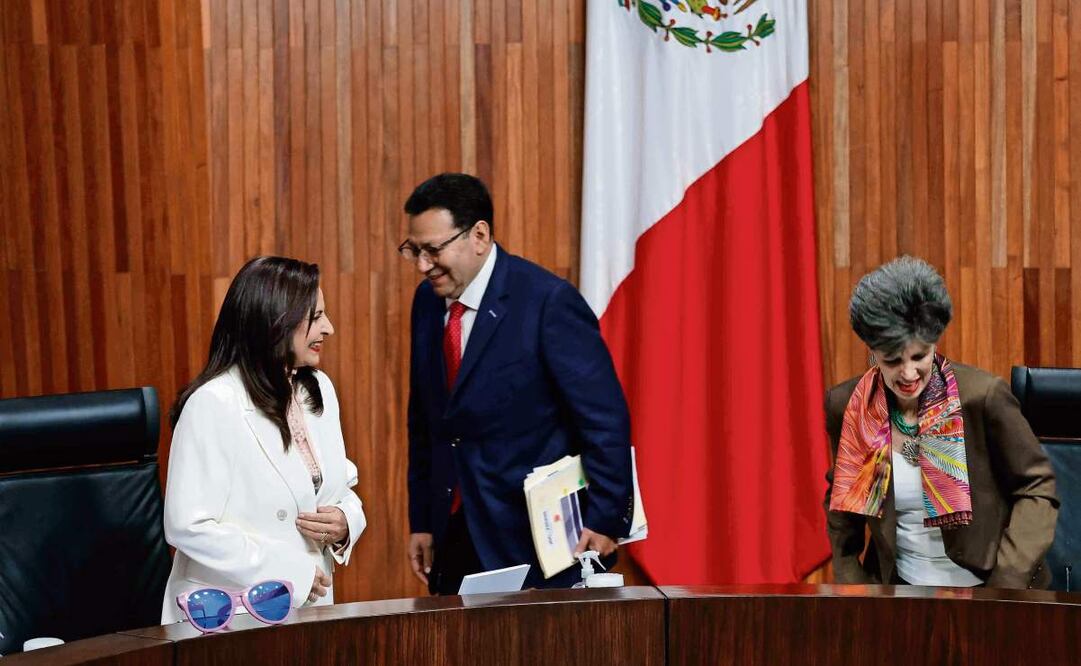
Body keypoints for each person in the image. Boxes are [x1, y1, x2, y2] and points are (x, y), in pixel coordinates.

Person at [402, 173, 635, 593]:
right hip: (455, 530)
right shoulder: (427, 303)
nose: (422, 265)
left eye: (433, 250)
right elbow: (426, 420)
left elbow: (603, 418)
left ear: (479, 234)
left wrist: (605, 516)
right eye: (413, 250)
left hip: (536, 537)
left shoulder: (546, 302)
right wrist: (422, 518)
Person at [825, 256, 1058, 588]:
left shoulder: (983, 397)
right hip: (899, 589)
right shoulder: (850, 406)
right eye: (892, 360)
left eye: (919, 356)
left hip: (990, 587)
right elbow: (842, 504)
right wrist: (854, 584)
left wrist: (1005, 583)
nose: (908, 374)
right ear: (872, 352)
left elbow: (1038, 488)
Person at [160, 256, 367, 623]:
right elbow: (187, 525)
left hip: (308, 610)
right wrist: (288, 570)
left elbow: (340, 485)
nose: (329, 328)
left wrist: (346, 520)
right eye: (316, 317)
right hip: (230, 613)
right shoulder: (212, 403)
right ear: (277, 321)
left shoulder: (317, 389)